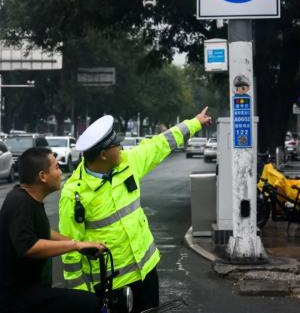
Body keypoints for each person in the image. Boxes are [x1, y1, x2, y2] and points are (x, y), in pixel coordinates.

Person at [59, 107, 212, 312]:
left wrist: (194, 123)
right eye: (116, 145)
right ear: (104, 154)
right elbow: (70, 250)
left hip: (146, 273)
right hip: (109, 284)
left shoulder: (127, 164)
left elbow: (160, 144)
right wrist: (80, 298)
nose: (121, 148)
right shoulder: (74, 193)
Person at [0, 147, 105, 313]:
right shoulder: (19, 202)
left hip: (28, 290)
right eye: (56, 167)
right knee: (88, 303)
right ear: (42, 176)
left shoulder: (29, 198)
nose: (60, 172)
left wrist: (82, 244)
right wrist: (75, 245)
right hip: (9, 298)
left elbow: (44, 232)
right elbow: (29, 247)